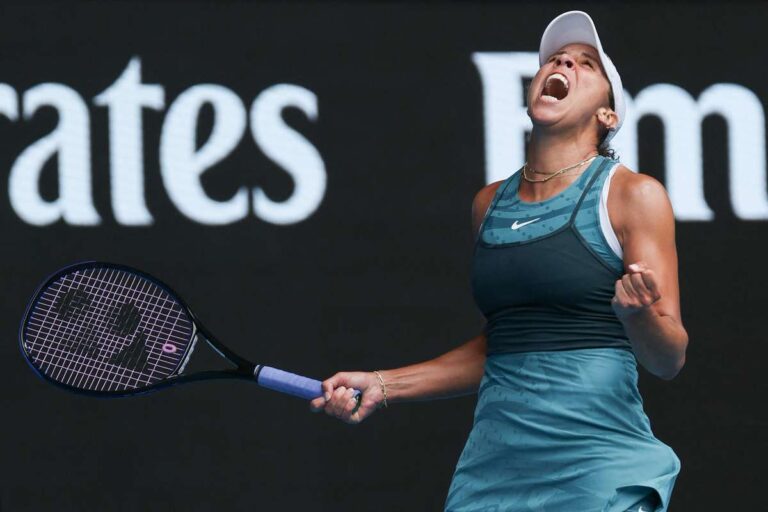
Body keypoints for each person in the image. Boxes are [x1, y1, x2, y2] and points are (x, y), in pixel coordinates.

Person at [309, 10, 687, 512]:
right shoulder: (488, 205)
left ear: (607, 116)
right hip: (494, 470)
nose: (564, 64)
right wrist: (384, 384)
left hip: (600, 467)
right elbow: (503, 347)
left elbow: (668, 358)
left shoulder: (633, 195)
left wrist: (638, 315)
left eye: (585, 64)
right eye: (556, 59)